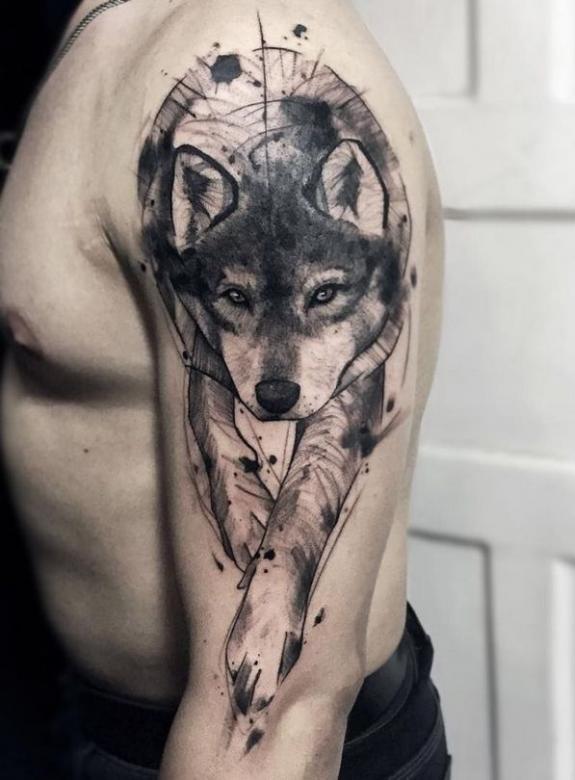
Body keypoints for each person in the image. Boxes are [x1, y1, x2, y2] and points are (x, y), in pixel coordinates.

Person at [0, 0, 446, 777]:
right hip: (82, 715)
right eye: (237, 300)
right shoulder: (99, 33)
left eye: (320, 297)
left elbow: (277, 710)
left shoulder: (233, 55)